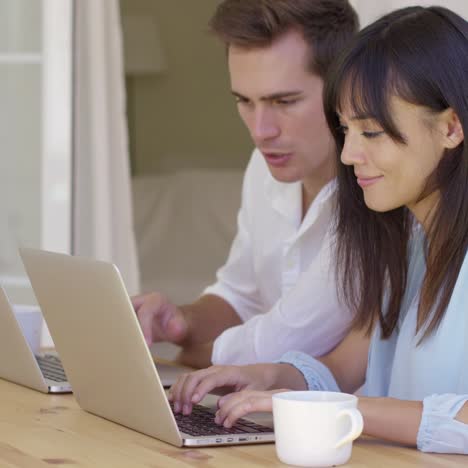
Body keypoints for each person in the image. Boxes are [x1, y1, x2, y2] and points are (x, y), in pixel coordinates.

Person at [168, 6, 468, 454]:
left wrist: (344, 411)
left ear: (450, 127)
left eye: (371, 132)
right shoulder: (410, 242)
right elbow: (343, 367)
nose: (348, 155)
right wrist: (268, 378)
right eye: (346, 130)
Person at [132, 0, 359, 368]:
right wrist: (181, 321)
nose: (260, 131)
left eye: (284, 101)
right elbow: (240, 297)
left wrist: (191, 356)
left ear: (345, 87)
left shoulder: (376, 193)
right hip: (261, 414)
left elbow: (277, 343)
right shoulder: (263, 166)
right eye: (244, 101)